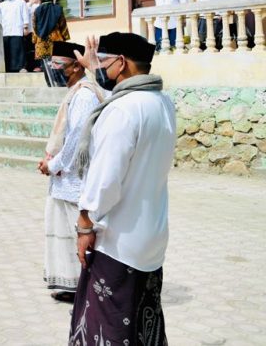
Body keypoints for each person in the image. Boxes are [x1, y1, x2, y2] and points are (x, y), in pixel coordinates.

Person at [69, 33, 174, 346]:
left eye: (103, 61)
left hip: (118, 240)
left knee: (109, 326)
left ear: (122, 63)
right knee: (143, 319)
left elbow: (105, 180)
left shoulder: (124, 109)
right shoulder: (161, 101)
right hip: (150, 235)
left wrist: (85, 224)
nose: (100, 67)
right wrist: (91, 69)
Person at [37, 41, 103, 304]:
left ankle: (85, 288)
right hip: (65, 179)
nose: (53, 70)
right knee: (63, 234)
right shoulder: (75, 92)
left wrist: (52, 165)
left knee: (78, 233)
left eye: (58, 65)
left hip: (74, 178)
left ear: (76, 66)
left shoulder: (85, 94)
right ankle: (72, 284)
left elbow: (76, 140)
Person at [31, 0, 70, 66]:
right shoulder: (58, 8)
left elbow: (34, 26)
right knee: (57, 64)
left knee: (45, 66)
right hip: (56, 39)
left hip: (41, 40)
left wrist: (34, 39)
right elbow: (63, 24)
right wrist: (65, 37)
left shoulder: (37, 10)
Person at [0, 0, 31, 72]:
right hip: (6, 31)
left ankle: (21, 67)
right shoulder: (2, 4)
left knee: (18, 50)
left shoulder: (21, 2)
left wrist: (26, 27)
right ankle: (9, 68)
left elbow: (25, 15)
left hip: (17, 30)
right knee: (8, 50)